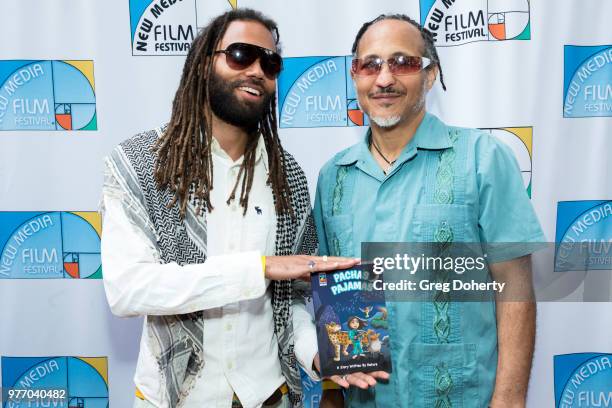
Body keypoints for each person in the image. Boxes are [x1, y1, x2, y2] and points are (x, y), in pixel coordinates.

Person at [100, 8, 358, 408]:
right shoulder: (140, 163)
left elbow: (293, 300)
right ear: (205, 65)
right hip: (177, 398)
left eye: (269, 63)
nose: (256, 70)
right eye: (240, 55)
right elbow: (127, 289)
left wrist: (318, 355)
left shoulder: (287, 176)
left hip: (270, 395)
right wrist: (258, 268)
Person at [314, 14, 545, 408]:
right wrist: (333, 398)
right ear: (355, 77)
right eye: (370, 65)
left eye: (402, 62)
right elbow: (334, 295)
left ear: (430, 74)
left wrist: (509, 400)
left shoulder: (482, 159)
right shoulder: (334, 176)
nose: (384, 79)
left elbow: (515, 286)